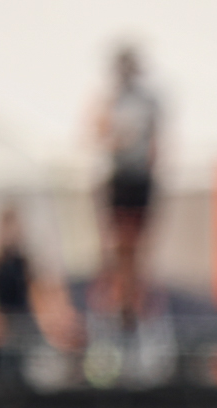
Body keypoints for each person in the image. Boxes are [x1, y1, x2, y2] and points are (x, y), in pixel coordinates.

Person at [0, 204, 78, 389]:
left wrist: (51, 323)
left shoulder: (25, 260)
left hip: (21, 326)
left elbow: (38, 292)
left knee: (20, 376)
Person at [95, 45, 161, 330]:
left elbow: (157, 141)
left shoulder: (148, 102)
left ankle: (133, 299)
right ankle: (116, 297)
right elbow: (99, 132)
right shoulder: (110, 101)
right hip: (120, 176)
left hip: (139, 179)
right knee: (117, 243)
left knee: (137, 244)